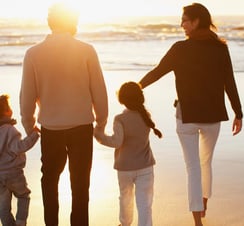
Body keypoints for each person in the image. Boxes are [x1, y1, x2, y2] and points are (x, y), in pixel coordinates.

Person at [138, 3, 243, 226]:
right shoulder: (220, 48)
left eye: (185, 20)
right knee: (205, 162)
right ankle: (203, 201)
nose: (181, 24)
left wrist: (135, 87)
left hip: (186, 116)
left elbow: (157, 72)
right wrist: (238, 113)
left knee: (193, 167)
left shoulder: (179, 49)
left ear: (196, 21)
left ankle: (197, 219)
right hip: (213, 116)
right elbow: (229, 83)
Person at [19, 3, 108, 226]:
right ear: (74, 23)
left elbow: (26, 97)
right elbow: (99, 89)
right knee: (80, 185)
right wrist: (101, 121)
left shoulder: (33, 53)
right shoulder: (86, 50)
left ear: (50, 22)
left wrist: (29, 126)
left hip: (51, 128)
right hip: (81, 126)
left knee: (50, 182)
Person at [94, 81, 162, 226]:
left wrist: (99, 135)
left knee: (125, 198)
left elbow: (116, 142)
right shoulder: (146, 116)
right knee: (145, 203)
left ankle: (125, 223)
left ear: (122, 100)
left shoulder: (120, 119)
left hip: (125, 168)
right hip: (145, 166)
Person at [0, 94, 39, 226]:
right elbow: (20, 147)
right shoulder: (10, 130)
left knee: (3, 205)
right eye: (9, 107)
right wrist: (34, 134)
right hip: (14, 173)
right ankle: (20, 223)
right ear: (7, 111)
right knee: (23, 196)